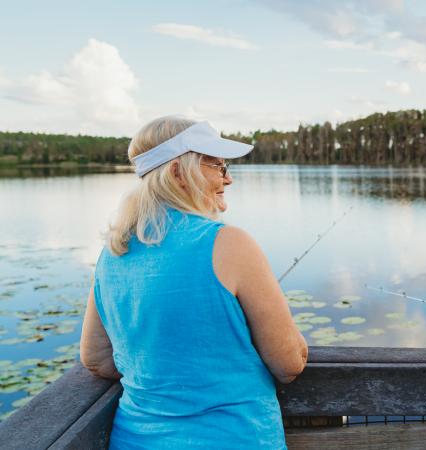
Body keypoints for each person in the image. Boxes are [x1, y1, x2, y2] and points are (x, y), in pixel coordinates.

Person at [79, 116, 308, 449]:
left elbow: (96, 359)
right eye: (217, 166)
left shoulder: (114, 250)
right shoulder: (230, 243)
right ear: (177, 173)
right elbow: (288, 364)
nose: (228, 179)